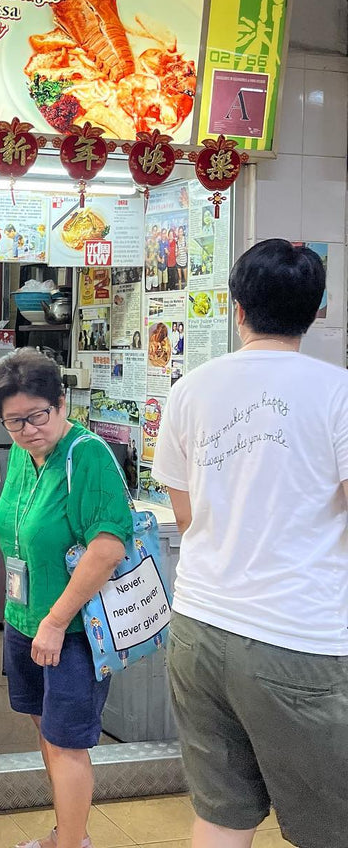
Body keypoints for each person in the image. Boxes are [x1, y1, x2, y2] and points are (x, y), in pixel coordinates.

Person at [152, 240, 347, 848]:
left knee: (222, 813)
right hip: (300, 639)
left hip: (200, 626)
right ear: (317, 310)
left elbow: (185, 515)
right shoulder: (337, 392)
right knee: (329, 825)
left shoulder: (191, 388)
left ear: (237, 308)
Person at [0, 348, 132, 848]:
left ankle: (72, 843)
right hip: (22, 617)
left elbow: (108, 545)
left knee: (68, 745)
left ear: (63, 402)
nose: (28, 430)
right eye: (14, 422)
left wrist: (53, 621)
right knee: (48, 737)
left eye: (38, 416)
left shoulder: (85, 454)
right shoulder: (28, 458)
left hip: (69, 631)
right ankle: (66, 834)